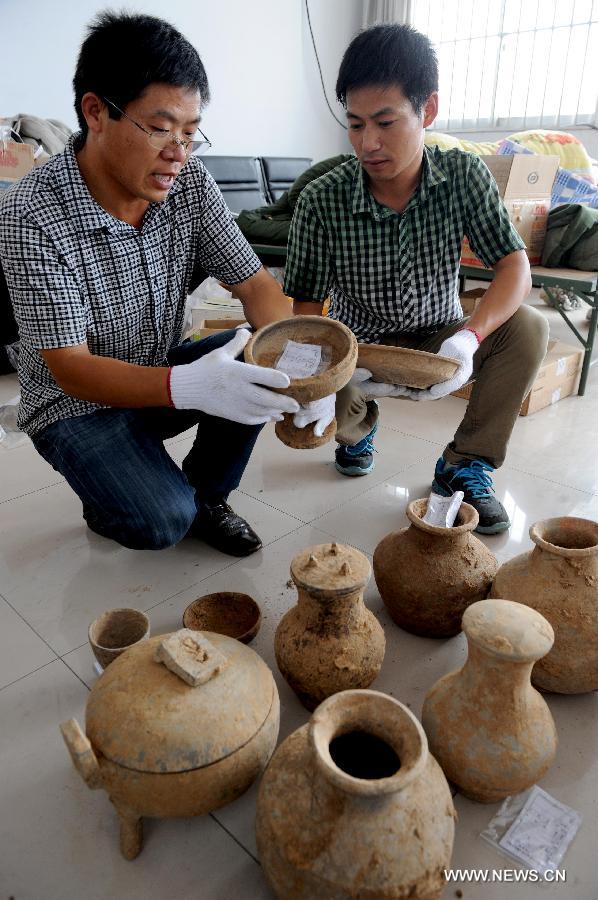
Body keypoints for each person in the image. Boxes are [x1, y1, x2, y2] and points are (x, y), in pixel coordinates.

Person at [0, 11, 304, 557]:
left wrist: (305, 367)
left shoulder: (187, 182)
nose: (178, 152)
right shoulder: (31, 214)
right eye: (161, 128)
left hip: (156, 365)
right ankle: (114, 497)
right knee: (161, 522)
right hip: (74, 404)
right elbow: (71, 368)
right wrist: (189, 387)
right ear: (95, 111)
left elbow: (257, 286)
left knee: (262, 361)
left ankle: (208, 496)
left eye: (190, 133)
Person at [284, 23, 549, 534]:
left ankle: (465, 464)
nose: (369, 142)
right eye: (355, 124)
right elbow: (309, 308)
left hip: (438, 338)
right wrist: (315, 377)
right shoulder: (322, 200)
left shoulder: (464, 177)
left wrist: (470, 338)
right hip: (360, 345)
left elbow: (514, 266)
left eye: (385, 122)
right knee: (319, 362)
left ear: (427, 110)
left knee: (529, 327)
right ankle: (355, 428)